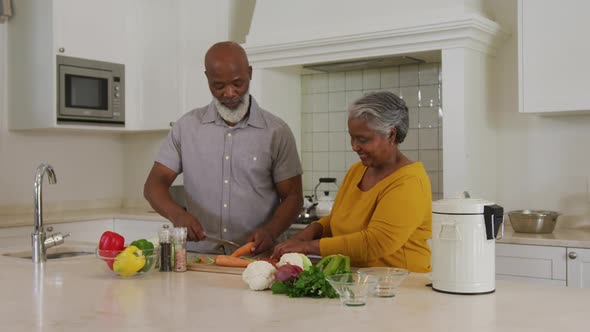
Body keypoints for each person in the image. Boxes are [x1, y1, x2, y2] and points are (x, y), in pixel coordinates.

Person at [144, 41, 303, 255]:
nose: (229, 93)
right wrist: (177, 215)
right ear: (207, 79)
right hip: (197, 259)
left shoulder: (276, 131)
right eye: (218, 86)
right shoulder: (186, 127)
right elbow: (154, 185)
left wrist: (271, 231)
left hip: (255, 260)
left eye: (238, 84)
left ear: (250, 73)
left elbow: (293, 197)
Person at [272, 91, 432, 272]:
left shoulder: (409, 182)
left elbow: (375, 242)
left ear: (391, 135)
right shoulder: (358, 170)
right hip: (362, 283)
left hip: (401, 287)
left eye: (363, 139)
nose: (354, 146)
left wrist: (309, 247)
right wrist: (309, 232)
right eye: (352, 137)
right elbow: (339, 219)